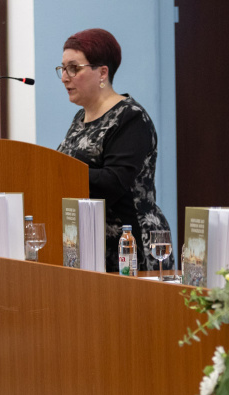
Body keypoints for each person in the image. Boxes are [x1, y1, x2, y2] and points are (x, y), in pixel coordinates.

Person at [56, 28, 170, 272]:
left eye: (73, 68)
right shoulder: (80, 118)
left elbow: (113, 182)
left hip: (130, 244)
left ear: (102, 72)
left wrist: (57, 172)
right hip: (90, 242)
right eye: (63, 69)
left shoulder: (130, 118)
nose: (65, 77)